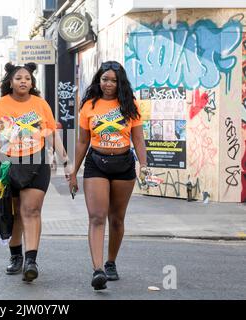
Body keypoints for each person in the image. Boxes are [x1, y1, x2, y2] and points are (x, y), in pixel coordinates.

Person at [0, 62, 71, 283]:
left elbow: (51, 134)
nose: (23, 81)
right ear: (10, 82)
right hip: (7, 164)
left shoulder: (40, 105)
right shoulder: (0, 105)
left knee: (31, 210)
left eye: (27, 78)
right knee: (14, 213)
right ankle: (16, 257)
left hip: (37, 162)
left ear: (32, 83)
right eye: (18, 78)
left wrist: (66, 161)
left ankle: (31, 260)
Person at [68, 61, 148, 290]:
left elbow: (138, 139)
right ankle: (98, 269)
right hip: (96, 164)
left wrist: (144, 165)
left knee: (117, 218)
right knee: (96, 216)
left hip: (123, 164)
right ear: (99, 80)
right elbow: (83, 141)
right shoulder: (89, 106)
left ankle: (111, 261)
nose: (108, 84)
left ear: (120, 81)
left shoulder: (130, 105)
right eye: (105, 79)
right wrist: (73, 171)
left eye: (113, 80)